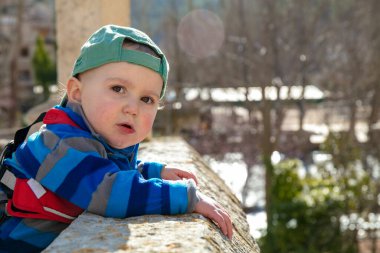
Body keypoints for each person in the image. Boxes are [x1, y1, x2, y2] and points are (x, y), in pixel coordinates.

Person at [0, 24, 232, 252]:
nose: (133, 108)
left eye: (147, 99)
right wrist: (186, 197)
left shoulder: (98, 135)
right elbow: (108, 191)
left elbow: (105, 170)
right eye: (118, 89)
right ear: (77, 93)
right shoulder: (59, 144)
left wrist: (151, 171)